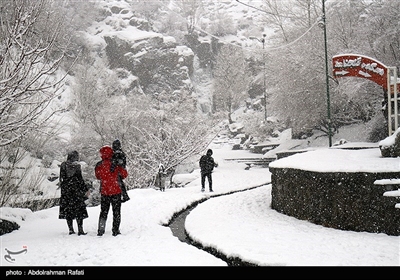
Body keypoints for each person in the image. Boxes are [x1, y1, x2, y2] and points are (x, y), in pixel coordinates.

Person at [95, 145, 128, 236]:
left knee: (103, 212)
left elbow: (98, 177)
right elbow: (124, 175)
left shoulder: (99, 165)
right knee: (116, 212)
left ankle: (101, 230)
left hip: (104, 191)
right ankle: (115, 230)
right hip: (116, 191)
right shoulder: (116, 164)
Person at [59, 150, 89, 236]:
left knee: (68, 210)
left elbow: (61, 178)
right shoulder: (77, 166)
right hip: (76, 191)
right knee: (79, 210)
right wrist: (85, 189)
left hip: (66, 191)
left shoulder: (63, 165)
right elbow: (80, 179)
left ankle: (71, 230)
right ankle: (80, 230)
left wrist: (65, 186)